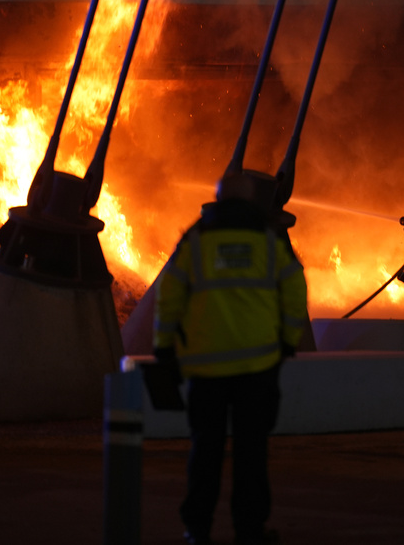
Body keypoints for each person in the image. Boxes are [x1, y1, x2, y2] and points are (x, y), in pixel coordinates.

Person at [153, 171, 308, 545]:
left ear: (217, 200)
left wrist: (163, 347)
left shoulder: (195, 241)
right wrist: (288, 341)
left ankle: (197, 529)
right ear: (254, 201)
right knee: (251, 454)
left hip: (205, 369)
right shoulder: (270, 241)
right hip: (257, 369)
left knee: (204, 452)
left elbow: (169, 294)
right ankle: (249, 531)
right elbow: (294, 290)